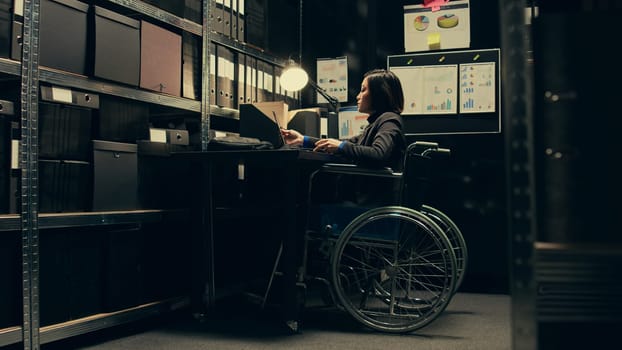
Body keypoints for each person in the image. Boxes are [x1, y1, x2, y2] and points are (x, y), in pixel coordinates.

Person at [276, 69, 406, 334]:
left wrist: (342, 148)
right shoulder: (377, 123)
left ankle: (291, 285)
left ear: (380, 94)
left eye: (364, 89)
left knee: (301, 212)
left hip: (369, 209)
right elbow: (350, 143)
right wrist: (305, 140)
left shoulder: (389, 121)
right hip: (368, 205)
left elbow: (378, 153)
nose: (358, 95)